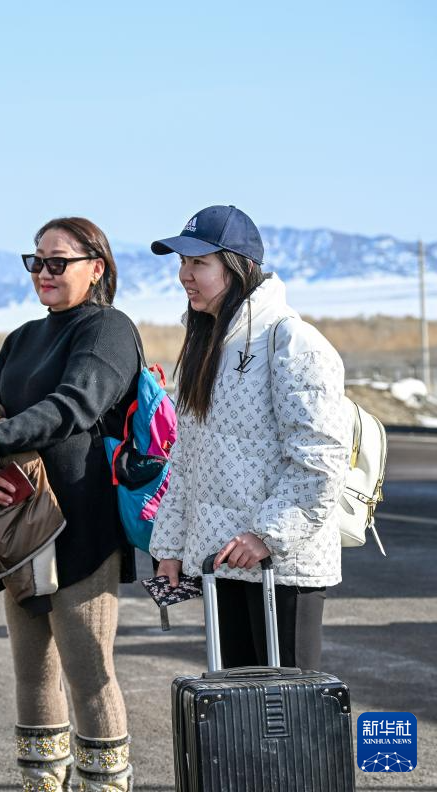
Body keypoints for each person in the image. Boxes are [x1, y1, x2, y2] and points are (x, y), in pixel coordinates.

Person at [0, 217, 141, 791]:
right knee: (33, 673)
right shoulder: (23, 338)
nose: (43, 273)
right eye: (36, 262)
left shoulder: (108, 330)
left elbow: (74, 405)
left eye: (58, 262)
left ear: (96, 268)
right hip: (21, 529)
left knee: (88, 673)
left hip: (83, 527)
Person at [148, 204, 349, 672]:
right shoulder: (206, 343)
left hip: (283, 566)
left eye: (199, 262)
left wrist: (267, 537)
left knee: (290, 707)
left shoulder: (292, 342)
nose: (185, 275)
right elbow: (186, 459)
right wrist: (170, 548)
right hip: (221, 564)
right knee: (237, 707)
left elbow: (320, 459)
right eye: (182, 261)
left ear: (238, 267)